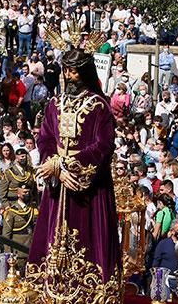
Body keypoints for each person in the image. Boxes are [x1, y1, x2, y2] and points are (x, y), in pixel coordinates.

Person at [28, 44, 122, 289]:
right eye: (66, 71)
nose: (68, 76)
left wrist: (69, 165)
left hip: (88, 187)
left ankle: (90, 291)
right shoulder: (55, 103)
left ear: (85, 73)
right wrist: (52, 162)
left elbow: (104, 145)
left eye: (74, 72)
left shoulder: (99, 105)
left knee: (88, 235)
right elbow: (46, 137)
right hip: (58, 182)